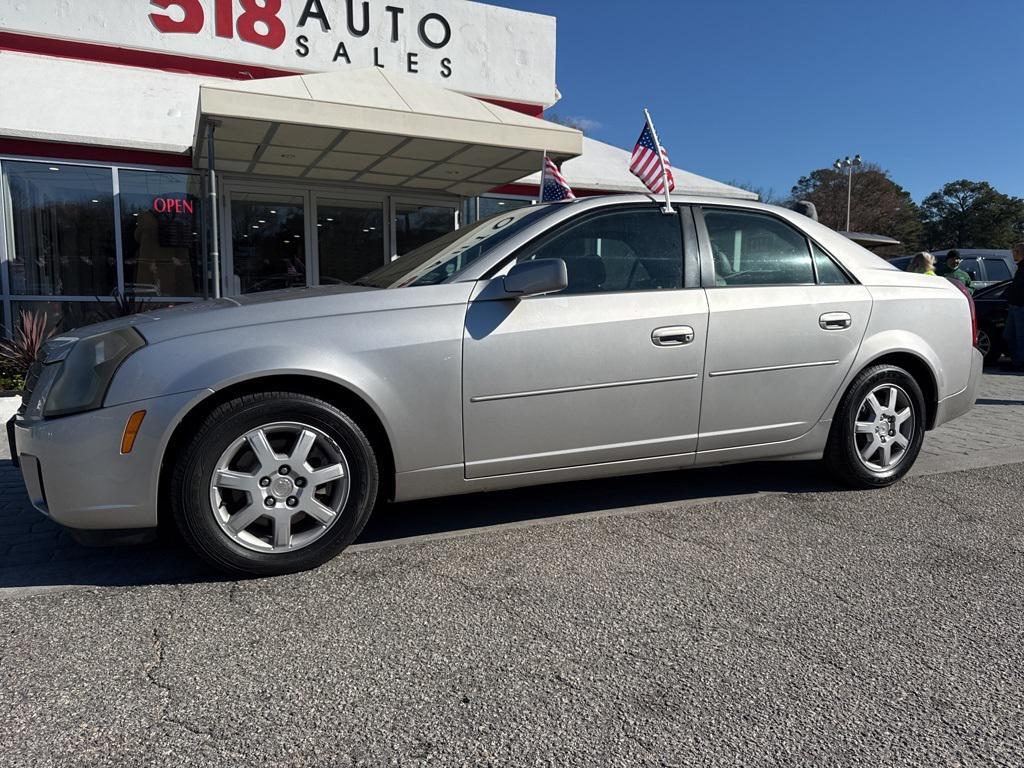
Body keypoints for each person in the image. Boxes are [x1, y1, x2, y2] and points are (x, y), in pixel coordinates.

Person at [1003, 243, 1024, 371]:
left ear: (1020, 252)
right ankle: (1017, 361)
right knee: (1009, 335)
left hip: (1020, 307)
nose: (1013, 254)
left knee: (1020, 336)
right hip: (1014, 307)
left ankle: (1019, 363)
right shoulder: (1020, 268)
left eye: (1015, 251)